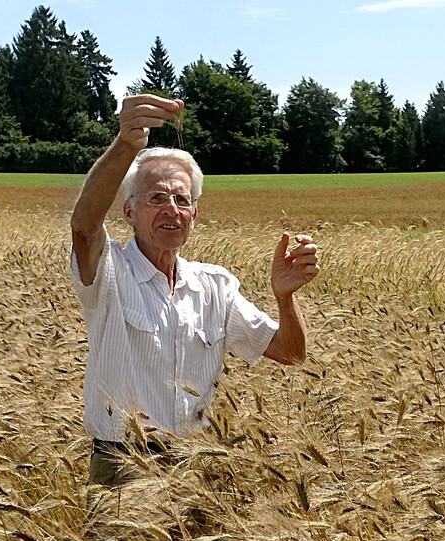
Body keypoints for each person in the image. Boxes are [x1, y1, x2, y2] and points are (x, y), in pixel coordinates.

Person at [70, 94, 320, 488]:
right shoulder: (109, 272)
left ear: (194, 215)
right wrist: (126, 144)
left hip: (195, 468)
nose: (171, 209)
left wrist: (285, 298)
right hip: (123, 468)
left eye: (181, 199)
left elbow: (290, 353)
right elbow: (84, 227)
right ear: (129, 212)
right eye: (155, 198)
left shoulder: (215, 286)